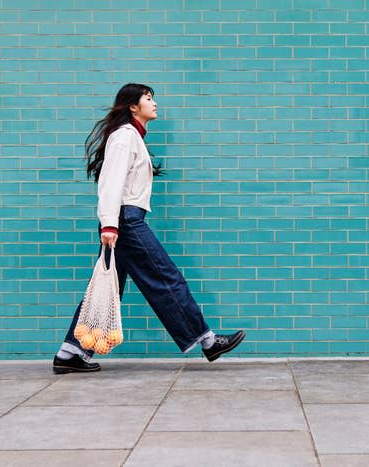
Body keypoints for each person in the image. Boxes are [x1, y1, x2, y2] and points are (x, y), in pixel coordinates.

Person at [52, 83, 245, 374]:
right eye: (148, 98)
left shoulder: (133, 138)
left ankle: (70, 353)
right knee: (166, 277)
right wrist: (109, 225)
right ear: (133, 106)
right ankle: (207, 341)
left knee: (108, 288)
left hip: (124, 220)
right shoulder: (124, 137)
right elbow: (110, 183)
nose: (154, 103)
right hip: (125, 222)